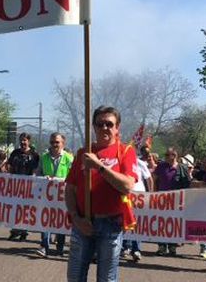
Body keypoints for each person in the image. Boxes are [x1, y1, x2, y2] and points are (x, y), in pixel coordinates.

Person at [65, 106, 137, 282]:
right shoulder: (83, 153)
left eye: (109, 124)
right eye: (100, 124)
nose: (104, 128)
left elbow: (127, 186)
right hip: (83, 222)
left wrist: (99, 166)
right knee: (75, 277)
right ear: (94, 127)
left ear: (117, 127)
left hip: (111, 225)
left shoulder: (126, 151)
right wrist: (75, 217)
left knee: (106, 279)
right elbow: (70, 189)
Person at [34, 132, 73, 257]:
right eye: (52, 142)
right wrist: (42, 177)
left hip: (62, 196)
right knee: (46, 220)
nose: (54, 145)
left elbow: (73, 176)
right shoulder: (44, 157)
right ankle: (44, 246)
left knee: (59, 220)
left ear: (63, 143)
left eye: (57, 142)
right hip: (47, 195)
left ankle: (60, 247)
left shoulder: (69, 158)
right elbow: (38, 174)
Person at [152, 147, 191, 256]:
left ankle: (172, 246)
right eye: (166, 155)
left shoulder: (182, 168)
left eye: (168, 155)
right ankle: (162, 246)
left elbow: (188, 184)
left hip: (177, 201)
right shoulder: (161, 166)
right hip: (162, 200)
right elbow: (154, 179)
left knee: (174, 224)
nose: (166, 157)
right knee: (161, 223)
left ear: (174, 156)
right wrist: (154, 194)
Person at [7, 132, 39, 241]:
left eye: (25, 140)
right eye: (21, 140)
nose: (22, 142)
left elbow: (35, 171)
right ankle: (15, 230)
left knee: (25, 210)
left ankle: (24, 231)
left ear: (29, 141)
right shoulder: (15, 153)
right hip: (15, 187)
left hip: (28, 187)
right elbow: (10, 167)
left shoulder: (34, 155)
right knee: (15, 209)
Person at [121, 152, 152, 262]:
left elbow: (149, 179)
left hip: (140, 197)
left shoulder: (140, 163)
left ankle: (136, 249)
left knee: (137, 223)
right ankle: (124, 247)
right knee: (125, 221)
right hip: (126, 196)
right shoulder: (121, 161)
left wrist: (151, 194)